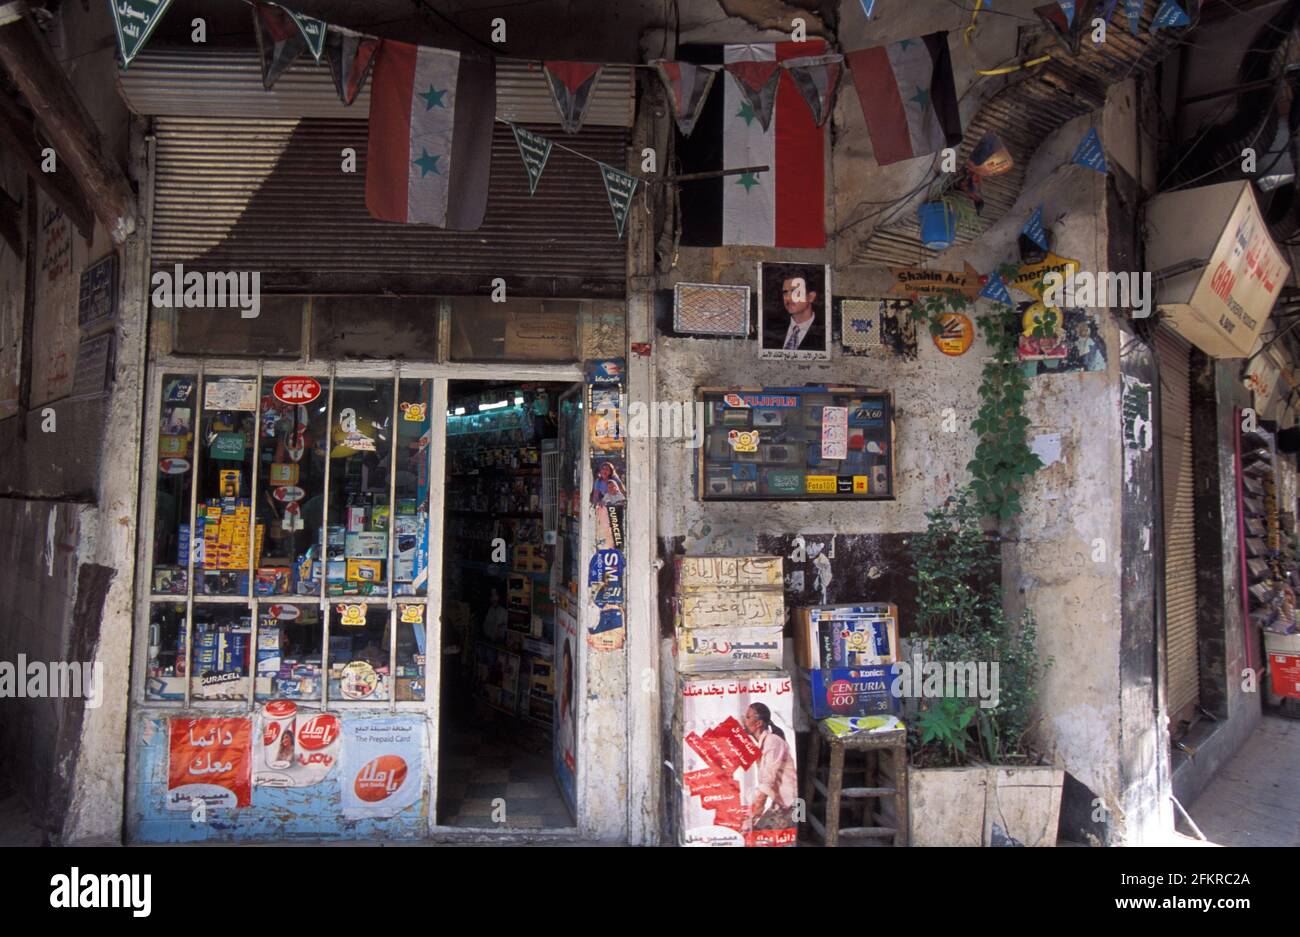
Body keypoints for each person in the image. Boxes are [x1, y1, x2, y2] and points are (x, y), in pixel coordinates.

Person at [742, 702, 798, 832]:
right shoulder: (762, 744)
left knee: (754, 833)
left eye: (748, 717)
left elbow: (768, 780)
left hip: (793, 807)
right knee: (751, 831)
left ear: (758, 723)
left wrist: (755, 812)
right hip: (781, 805)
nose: (744, 720)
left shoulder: (772, 741)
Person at [774, 275, 824, 352]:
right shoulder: (772, 328)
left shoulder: (825, 332)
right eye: (785, 293)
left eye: (795, 292)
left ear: (811, 297)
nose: (788, 298)